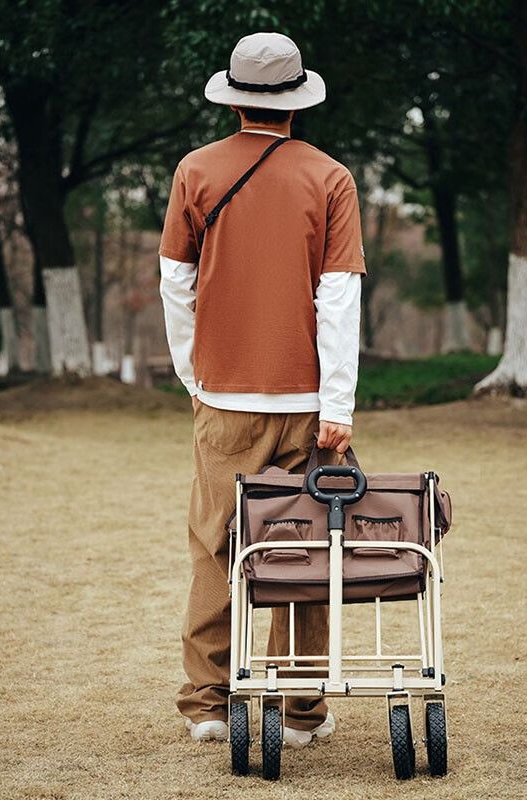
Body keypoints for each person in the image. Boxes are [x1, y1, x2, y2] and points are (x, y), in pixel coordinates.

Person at [158, 31, 366, 748]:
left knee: (217, 546)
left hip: (223, 397)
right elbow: (338, 300)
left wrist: (196, 372)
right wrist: (336, 407)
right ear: (296, 104)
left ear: (234, 97)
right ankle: (300, 710)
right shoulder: (331, 177)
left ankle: (207, 706)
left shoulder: (196, 170)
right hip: (307, 405)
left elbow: (174, 283)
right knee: (305, 547)